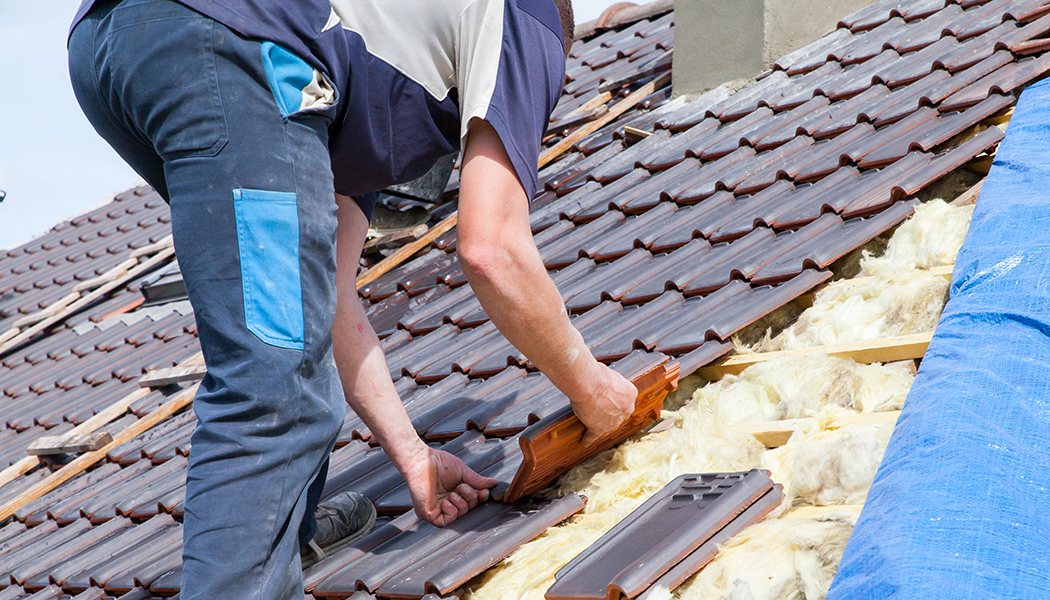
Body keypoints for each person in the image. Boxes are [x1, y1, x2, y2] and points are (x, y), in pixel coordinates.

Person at [66, 0, 638, 597]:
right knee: (273, 386)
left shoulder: (351, 85)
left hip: (115, 42)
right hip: (221, 39)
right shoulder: (533, 18)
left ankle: (277, 548)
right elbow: (493, 249)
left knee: (291, 354)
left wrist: (414, 455)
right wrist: (590, 386)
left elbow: (329, 295)